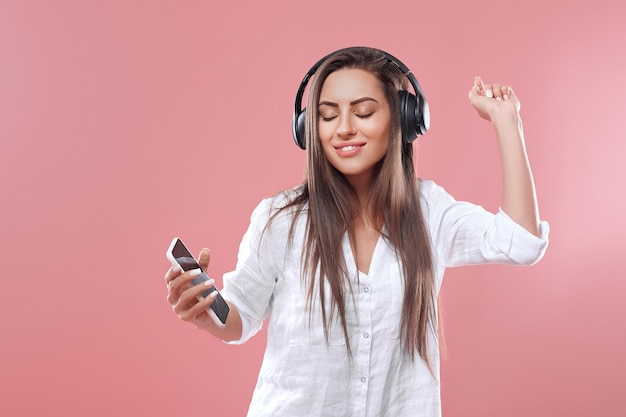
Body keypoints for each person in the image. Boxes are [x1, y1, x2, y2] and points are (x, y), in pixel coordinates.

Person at [164, 47, 549, 416]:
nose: (343, 129)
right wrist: (205, 312)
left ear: (404, 118)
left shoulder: (430, 212)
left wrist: (506, 121)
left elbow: (522, 242)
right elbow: (240, 317)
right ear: (308, 128)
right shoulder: (279, 219)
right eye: (328, 116)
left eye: (363, 112)